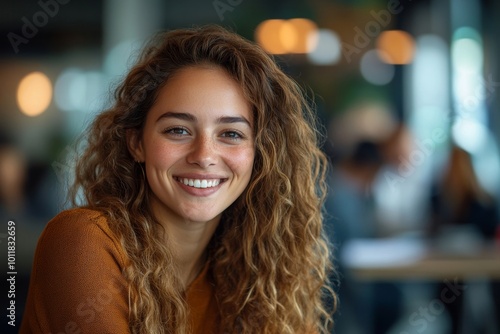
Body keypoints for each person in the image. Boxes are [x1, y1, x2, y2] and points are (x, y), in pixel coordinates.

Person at [20, 25, 336, 334]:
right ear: (137, 143)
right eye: (178, 130)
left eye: (230, 134)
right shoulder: (83, 242)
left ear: (261, 154)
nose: (204, 155)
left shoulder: (258, 273)